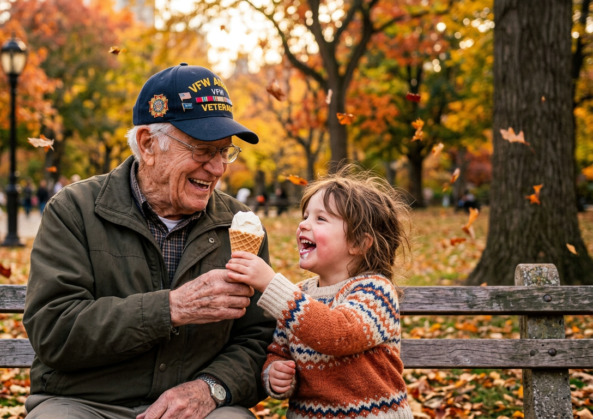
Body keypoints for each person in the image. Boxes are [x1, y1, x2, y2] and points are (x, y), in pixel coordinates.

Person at [23, 64, 274, 419]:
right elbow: (54, 330)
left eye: (224, 151)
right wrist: (171, 308)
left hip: (198, 408)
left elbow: (257, 339)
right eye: (203, 149)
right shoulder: (74, 210)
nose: (218, 168)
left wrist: (212, 387)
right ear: (148, 144)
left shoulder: (240, 226)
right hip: (86, 403)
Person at [226, 167, 413, 419]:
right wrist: (276, 373)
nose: (303, 224)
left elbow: (338, 335)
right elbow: (279, 350)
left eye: (320, 219)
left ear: (358, 243)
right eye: (305, 216)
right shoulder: (301, 294)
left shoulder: (376, 291)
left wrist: (272, 284)